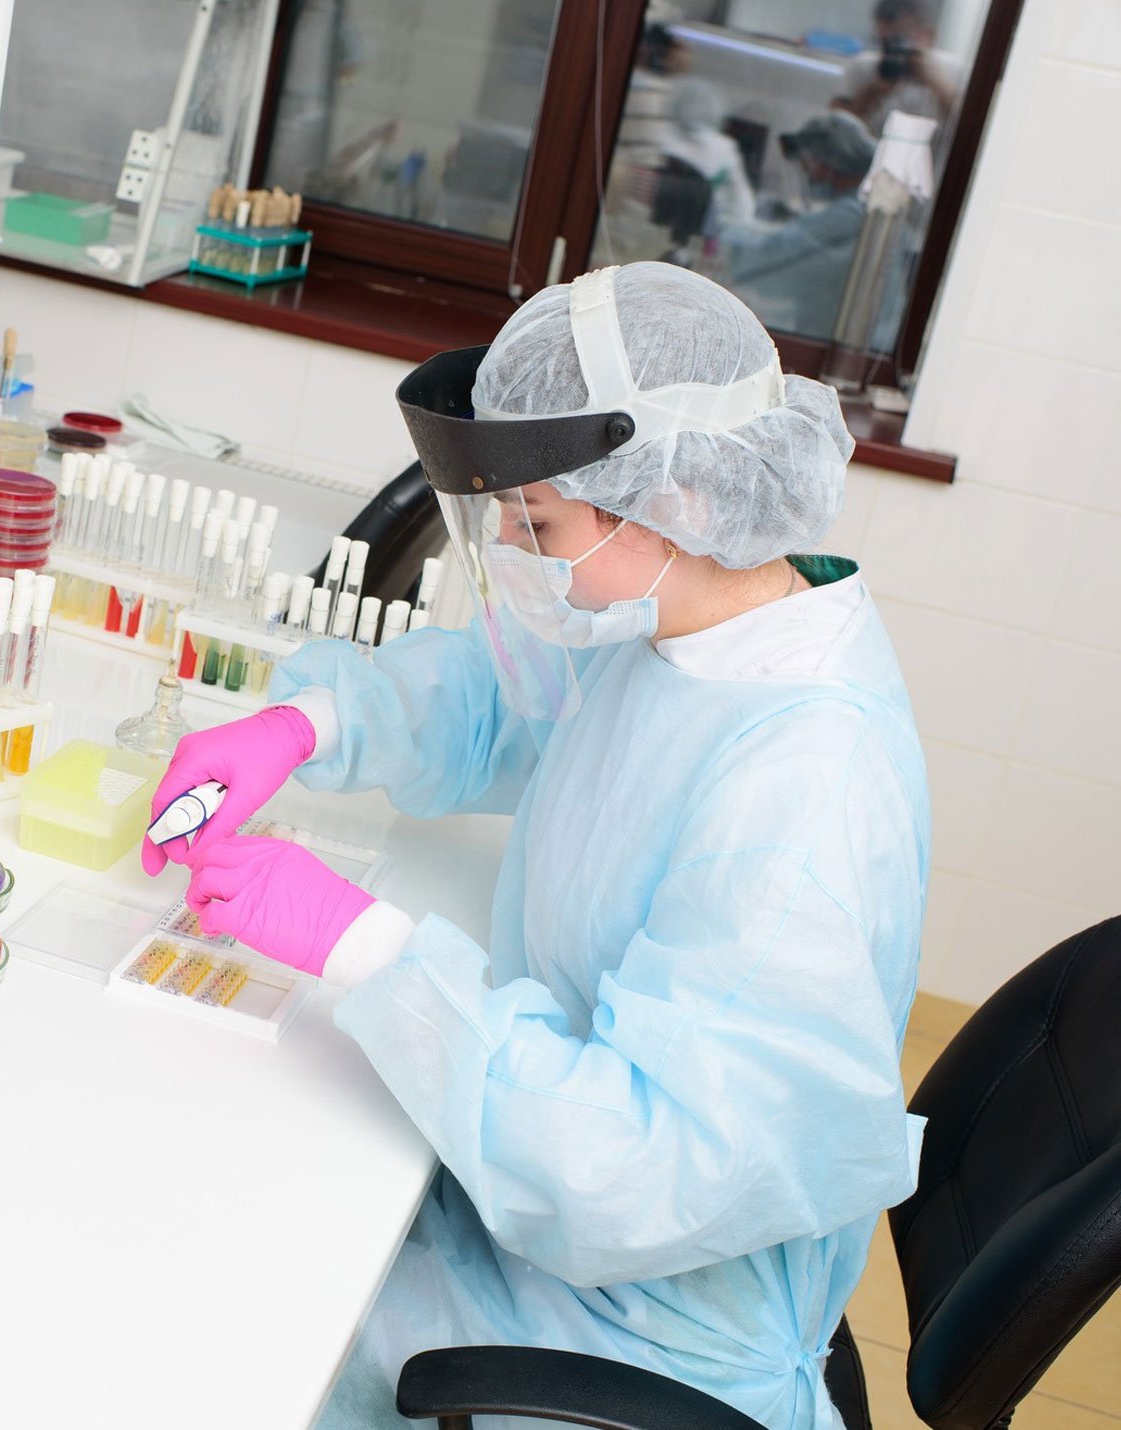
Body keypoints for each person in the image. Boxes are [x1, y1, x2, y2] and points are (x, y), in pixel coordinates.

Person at [143, 262, 930, 1430]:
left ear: (689, 501)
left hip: (633, 1321)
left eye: (536, 521)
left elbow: (632, 1170)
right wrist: (311, 721)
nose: (510, 550)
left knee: (221, 1338)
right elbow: (507, 697)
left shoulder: (803, 790)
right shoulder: (688, 620)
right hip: (524, 1207)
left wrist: (359, 945)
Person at [724, 110, 877, 342]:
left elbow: (773, 255)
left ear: (829, 164)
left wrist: (725, 232)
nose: (807, 174)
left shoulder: (850, 216)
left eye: (808, 164)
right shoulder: (860, 209)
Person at [837, 0, 961, 137]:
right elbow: (834, 124)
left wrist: (939, 85)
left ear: (929, 36)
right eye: (885, 42)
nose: (894, 49)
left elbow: (971, 125)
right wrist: (872, 92)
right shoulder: (863, 67)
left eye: (902, 40)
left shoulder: (954, 71)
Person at [658, 77, 756, 228]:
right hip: (701, 225)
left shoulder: (662, 136)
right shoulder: (724, 148)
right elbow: (742, 198)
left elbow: (742, 196)